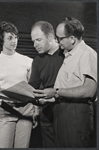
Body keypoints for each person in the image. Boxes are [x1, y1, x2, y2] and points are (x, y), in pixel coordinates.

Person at [33, 17, 97, 148]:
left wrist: (56, 92)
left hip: (76, 115)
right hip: (62, 111)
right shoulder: (69, 55)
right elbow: (69, 88)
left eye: (60, 38)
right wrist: (49, 98)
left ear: (72, 39)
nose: (57, 41)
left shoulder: (87, 54)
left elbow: (89, 90)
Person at [0, 21, 38, 148]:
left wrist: (36, 110)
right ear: (1, 40)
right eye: (10, 38)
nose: (14, 40)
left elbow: (33, 90)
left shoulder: (27, 61)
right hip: (6, 110)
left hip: (26, 110)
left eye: (15, 37)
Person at [29, 21, 64, 147]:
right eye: (33, 41)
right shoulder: (37, 61)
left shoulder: (66, 54)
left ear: (50, 37)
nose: (35, 45)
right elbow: (33, 88)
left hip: (66, 111)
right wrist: (36, 106)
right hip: (46, 114)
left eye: (38, 40)